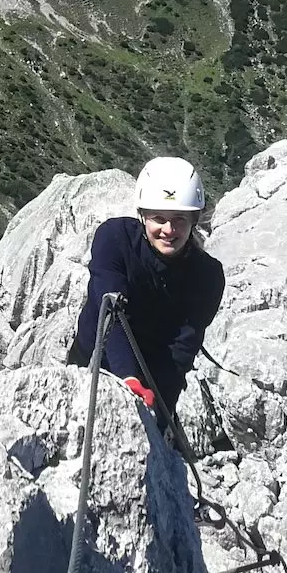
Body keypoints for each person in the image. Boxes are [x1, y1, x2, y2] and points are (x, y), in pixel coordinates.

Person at [66, 156, 225, 423]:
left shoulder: (207, 276)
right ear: (142, 217)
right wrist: (128, 377)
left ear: (194, 220)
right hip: (94, 356)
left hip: (155, 372)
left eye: (179, 220)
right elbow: (110, 309)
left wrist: (160, 412)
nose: (168, 230)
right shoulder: (114, 240)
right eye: (158, 218)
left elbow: (182, 348)